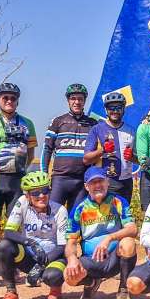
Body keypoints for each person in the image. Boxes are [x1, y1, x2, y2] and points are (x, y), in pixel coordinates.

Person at [64, 167, 138, 299]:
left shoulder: (118, 201)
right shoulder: (79, 209)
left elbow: (132, 229)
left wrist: (110, 238)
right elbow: (71, 241)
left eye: (101, 181)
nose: (98, 185)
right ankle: (91, 283)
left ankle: (123, 289)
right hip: (91, 261)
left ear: (107, 182)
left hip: (115, 258)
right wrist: (72, 259)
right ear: (86, 186)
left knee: (128, 242)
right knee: (69, 277)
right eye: (93, 183)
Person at [0, 171, 69, 299]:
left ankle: (55, 287)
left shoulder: (60, 210)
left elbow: (62, 246)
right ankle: (11, 293)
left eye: (45, 190)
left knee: (51, 276)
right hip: (30, 254)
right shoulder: (22, 203)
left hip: (54, 256)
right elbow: (9, 232)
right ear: (27, 195)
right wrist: (31, 243)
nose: (41, 196)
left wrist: (41, 266)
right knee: (4, 246)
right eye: (35, 193)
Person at [0, 82, 37, 219]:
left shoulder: (28, 123)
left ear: (17, 101)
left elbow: (31, 153)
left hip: (17, 179)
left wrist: (21, 168)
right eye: (5, 98)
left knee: (16, 220)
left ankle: (10, 241)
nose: (9, 101)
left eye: (13, 98)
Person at [42, 83, 98, 212]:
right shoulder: (58, 121)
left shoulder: (93, 123)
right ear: (68, 100)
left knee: (76, 220)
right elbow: (47, 149)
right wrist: (44, 174)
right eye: (73, 98)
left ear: (84, 101)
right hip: (60, 179)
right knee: (52, 216)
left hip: (82, 180)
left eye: (80, 99)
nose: (77, 102)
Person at [83, 91, 136, 199]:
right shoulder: (96, 129)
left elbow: (139, 160)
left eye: (118, 108)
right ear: (106, 110)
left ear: (123, 109)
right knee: (107, 215)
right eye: (111, 108)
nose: (115, 111)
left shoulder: (131, 130)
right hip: (105, 181)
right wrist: (102, 150)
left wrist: (132, 157)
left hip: (126, 182)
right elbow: (86, 160)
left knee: (124, 215)